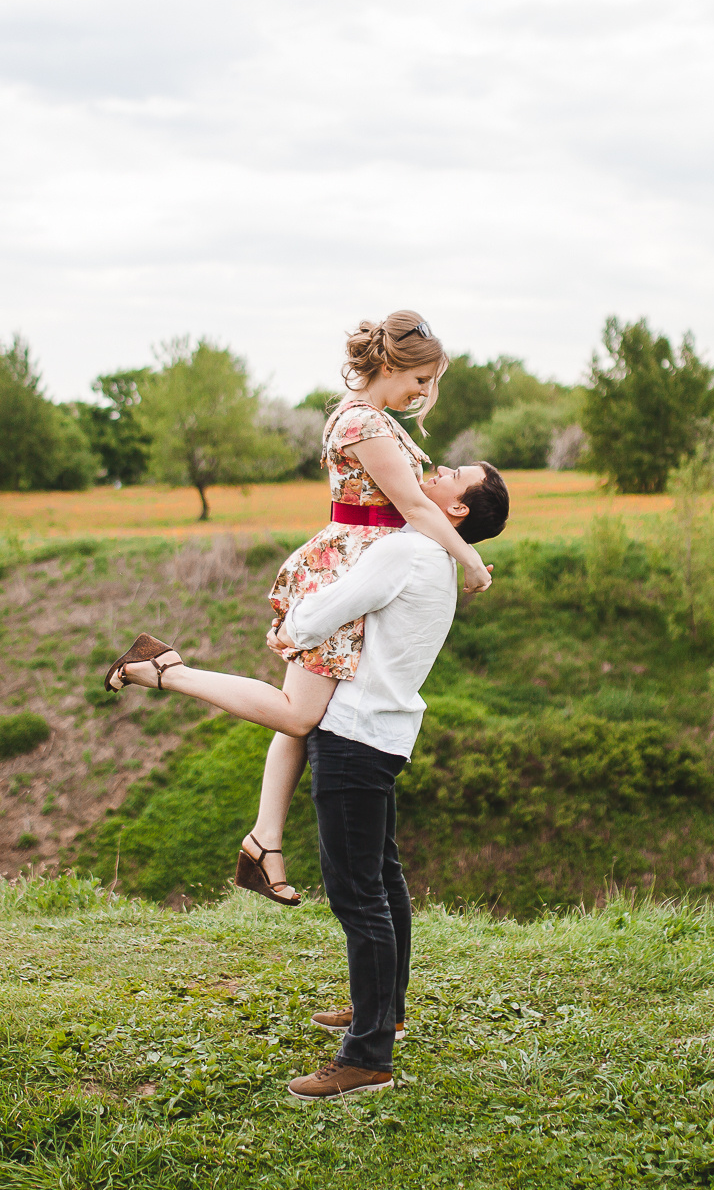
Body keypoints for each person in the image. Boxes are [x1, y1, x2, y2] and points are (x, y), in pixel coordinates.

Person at [105, 459, 510, 1100]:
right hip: (383, 734)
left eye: (452, 474)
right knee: (382, 879)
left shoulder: (405, 551)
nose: (434, 470)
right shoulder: (429, 561)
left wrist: (297, 616)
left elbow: (317, 618)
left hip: (351, 738)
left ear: (457, 510)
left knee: (358, 896)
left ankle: (368, 1056)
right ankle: (387, 1013)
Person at [110, 310, 493, 909]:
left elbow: (418, 511)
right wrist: (468, 562)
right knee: (296, 715)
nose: (424, 393)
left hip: (365, 571)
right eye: (420, 379)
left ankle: (264, 841)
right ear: (391, 365)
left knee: (305, 716)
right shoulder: (362, 421)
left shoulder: (376, 419)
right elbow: (417, 508)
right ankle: (164, 669)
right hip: (346, 572)